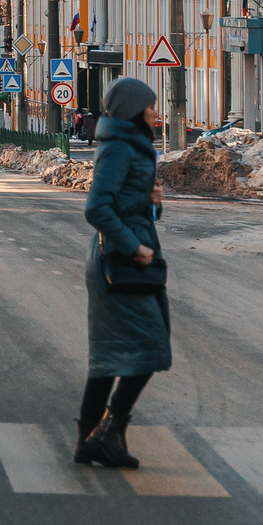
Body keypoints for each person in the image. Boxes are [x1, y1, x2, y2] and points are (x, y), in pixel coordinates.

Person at [76, 75, 171, 470]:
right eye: (150, 106)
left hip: (125, 262)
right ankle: (109, 431)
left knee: (110, 357)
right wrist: (134, 247)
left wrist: (153, 204)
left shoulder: (133, 147)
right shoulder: (119, 150)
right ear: (135, 111)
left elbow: (128, 209)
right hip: (121, 265)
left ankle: (88, 443)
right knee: (151, 348)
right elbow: (97, 208)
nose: (156, 113)